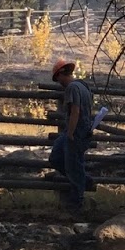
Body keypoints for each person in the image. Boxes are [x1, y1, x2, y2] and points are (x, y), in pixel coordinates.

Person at [49, 59, 95, 213]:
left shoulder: (72, 88)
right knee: (56, 157)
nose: (58, 82)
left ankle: (77, 201)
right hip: (79, 129)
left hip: (76, 131)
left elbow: (75, 111)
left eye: (58, 78)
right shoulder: (83, 85)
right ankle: (84, 180)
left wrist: (70, 133)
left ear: (62, 74)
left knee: (72, 165)